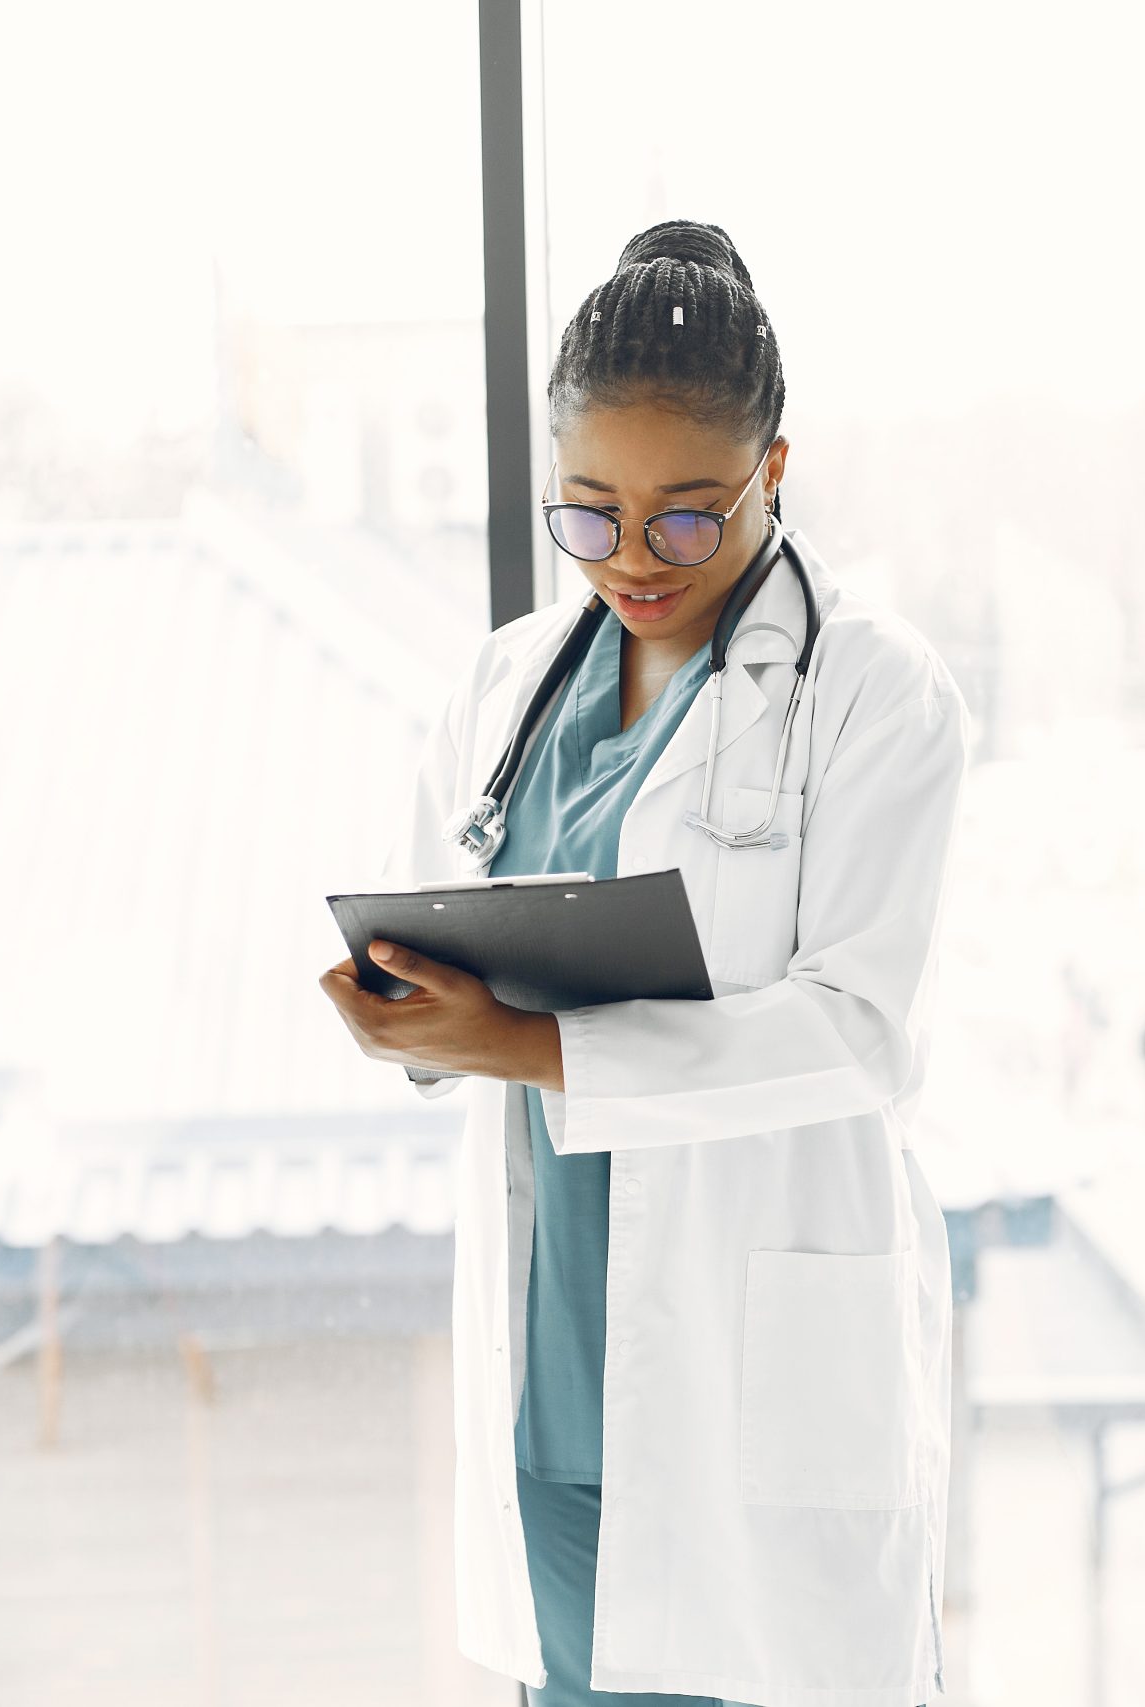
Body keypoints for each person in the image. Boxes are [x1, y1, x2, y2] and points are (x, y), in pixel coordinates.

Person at [319, 221, 961, 1707]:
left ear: (774, 474)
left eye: (688, 518)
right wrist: (411, 1019)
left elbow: (860, 1030)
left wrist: (528, 1046)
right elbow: (445, 949)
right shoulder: (504, 684)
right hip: (559, 1365)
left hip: (762, 1392)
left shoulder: (874, 690)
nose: (633, 561)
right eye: (589, 514)